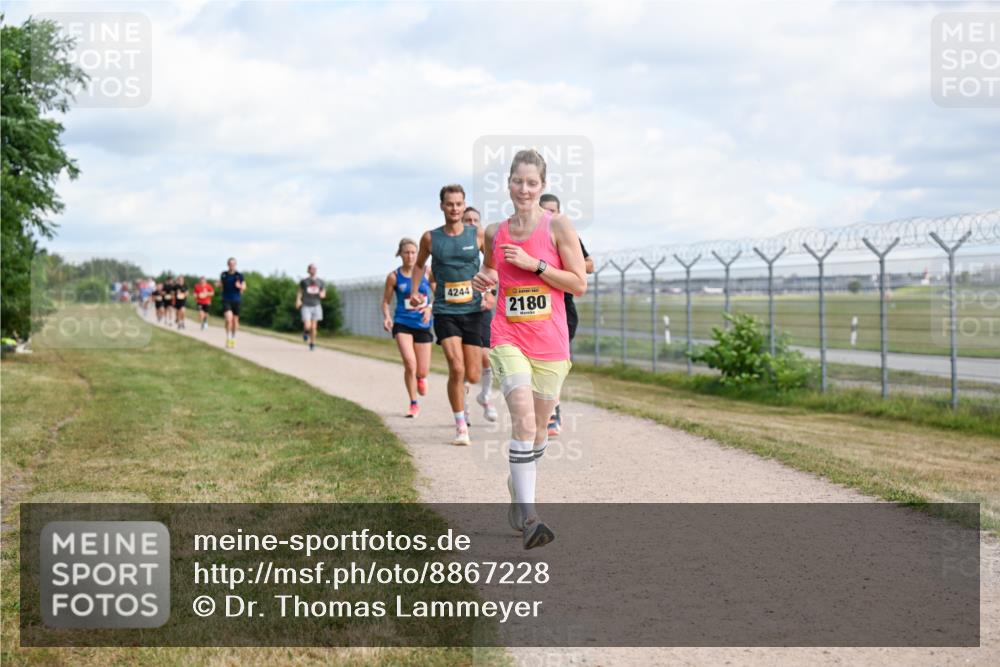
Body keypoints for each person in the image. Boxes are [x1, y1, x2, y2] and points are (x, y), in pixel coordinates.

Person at [472, 148, 586, 549]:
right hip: (509, 336)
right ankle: (531, 518)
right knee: (521, 419)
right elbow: (490, 269)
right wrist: (483, 280)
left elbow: (578, 283)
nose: (524, 189)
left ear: (543, 185)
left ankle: (517, 487)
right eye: (518, 181)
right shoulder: (494, 232)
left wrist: (534, 264)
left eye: (532, 182)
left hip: (551, 342)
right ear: (508, 184)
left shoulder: (559, 227)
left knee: (538, 431)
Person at [409, 184, 485, 446]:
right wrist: (415, 291)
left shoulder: (477, 235)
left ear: (464, 205)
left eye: (459, 204)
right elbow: (419, 265)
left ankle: (463, 388)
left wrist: (491, 291)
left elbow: (493, 265)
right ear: (441, 206)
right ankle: (461, 426)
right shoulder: (430, 238)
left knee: (473, 375)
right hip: (445, 311)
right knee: (456, 366)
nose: (454, 208)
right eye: (450, 204)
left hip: (473, 311)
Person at [539, 193, 595, 436]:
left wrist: (559, 265)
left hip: (563, 308)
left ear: (559, 213)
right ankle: (542, 408)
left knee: (556, 362)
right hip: (536, 307)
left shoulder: (567, 234)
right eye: (544, 211)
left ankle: (554, 410)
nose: (548, 215)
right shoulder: (527, 236)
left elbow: (590, 264)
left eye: (552, 211)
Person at [382, 238, 435, 418]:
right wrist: (387, 317)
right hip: (402, 322)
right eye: (406, 252)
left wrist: (429, 308)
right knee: (410, 364)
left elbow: (439, 294)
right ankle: (413, 403)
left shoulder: (428, 272)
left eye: (413, 252)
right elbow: (386, 301)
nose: (410, 256)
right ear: (400, 254)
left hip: (423, 324)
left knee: (422, 370)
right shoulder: (394, 277)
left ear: (418, 254)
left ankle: (421, 377)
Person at [462, 206, 498, 422]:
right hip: (458, 310)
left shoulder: (484, 245)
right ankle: (463, 407)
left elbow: (496, 270)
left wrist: (491, 294)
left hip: (481, 308)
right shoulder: (452, 246)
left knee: (487, 356)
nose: (472, 223)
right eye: (468, 220)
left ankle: (486, 396)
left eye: (475, 220)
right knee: (466, 364)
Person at [295, 264, 327, 351]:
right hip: (306, 305)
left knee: (313, 327)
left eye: (315, 268)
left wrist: (322, 294)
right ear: (308, 270)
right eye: (312, 269)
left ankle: (312, 344)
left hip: (316, 305)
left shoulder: (320, 282)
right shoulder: (304, 281)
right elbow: (300, 292)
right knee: (307, 325)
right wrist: (298, 300)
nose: (314, 270)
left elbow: (323, 293)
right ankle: (306, 332)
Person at [217, 258, 246, 348]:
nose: (232, 265)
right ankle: (228, 338)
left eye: (233, 264)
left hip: (236, 300)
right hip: (226, 299)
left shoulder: (239, 275)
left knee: (235, 321)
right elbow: (220, 285)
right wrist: (218, 285)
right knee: (228, 319)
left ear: (235, 265)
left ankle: (233, 338)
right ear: (228, 265)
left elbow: (244, 287)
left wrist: (240, 286)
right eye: (230, 264)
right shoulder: (224, 274)